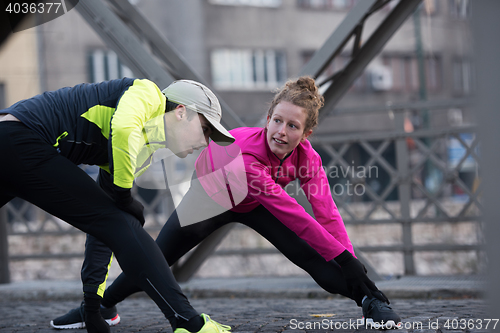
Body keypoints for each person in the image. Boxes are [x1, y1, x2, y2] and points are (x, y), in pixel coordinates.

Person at [51, 77, 402, 330]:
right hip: (209, 199)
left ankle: (371, 302)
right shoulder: (246, 154)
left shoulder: (308, 158)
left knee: (315, 259)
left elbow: (327, 214)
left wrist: (351, 261)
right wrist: (342, 256)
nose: (281, 131)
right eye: (276, 120)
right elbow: (294, 214)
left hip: (256, 204)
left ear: (305, 134)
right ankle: (97, 307)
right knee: (155, 259)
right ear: (268, 119)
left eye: (292, 126)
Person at [0, 78, 235, 333]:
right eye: (205, 129)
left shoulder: (140, 151)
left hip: (15, 146)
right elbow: (123, 129)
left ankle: (99, 308)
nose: (205, 142)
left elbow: (105, 233)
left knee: (116, 223)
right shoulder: (148, 95)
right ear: (180, 112)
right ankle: (188, 322)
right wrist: (124, 197)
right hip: (20, 137)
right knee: (120, 221)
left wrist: (91, 305)